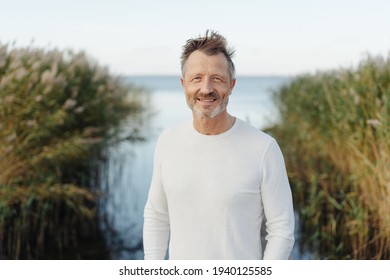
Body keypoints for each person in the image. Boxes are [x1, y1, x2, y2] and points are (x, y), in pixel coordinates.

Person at [143, 30, 295, 260]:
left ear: (231, 85)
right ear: (184, 84)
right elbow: (156, 216)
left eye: (217, 78)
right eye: (197, 78)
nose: (206, 89)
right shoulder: (168, 142)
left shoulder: (264, 148)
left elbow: (282, 229)